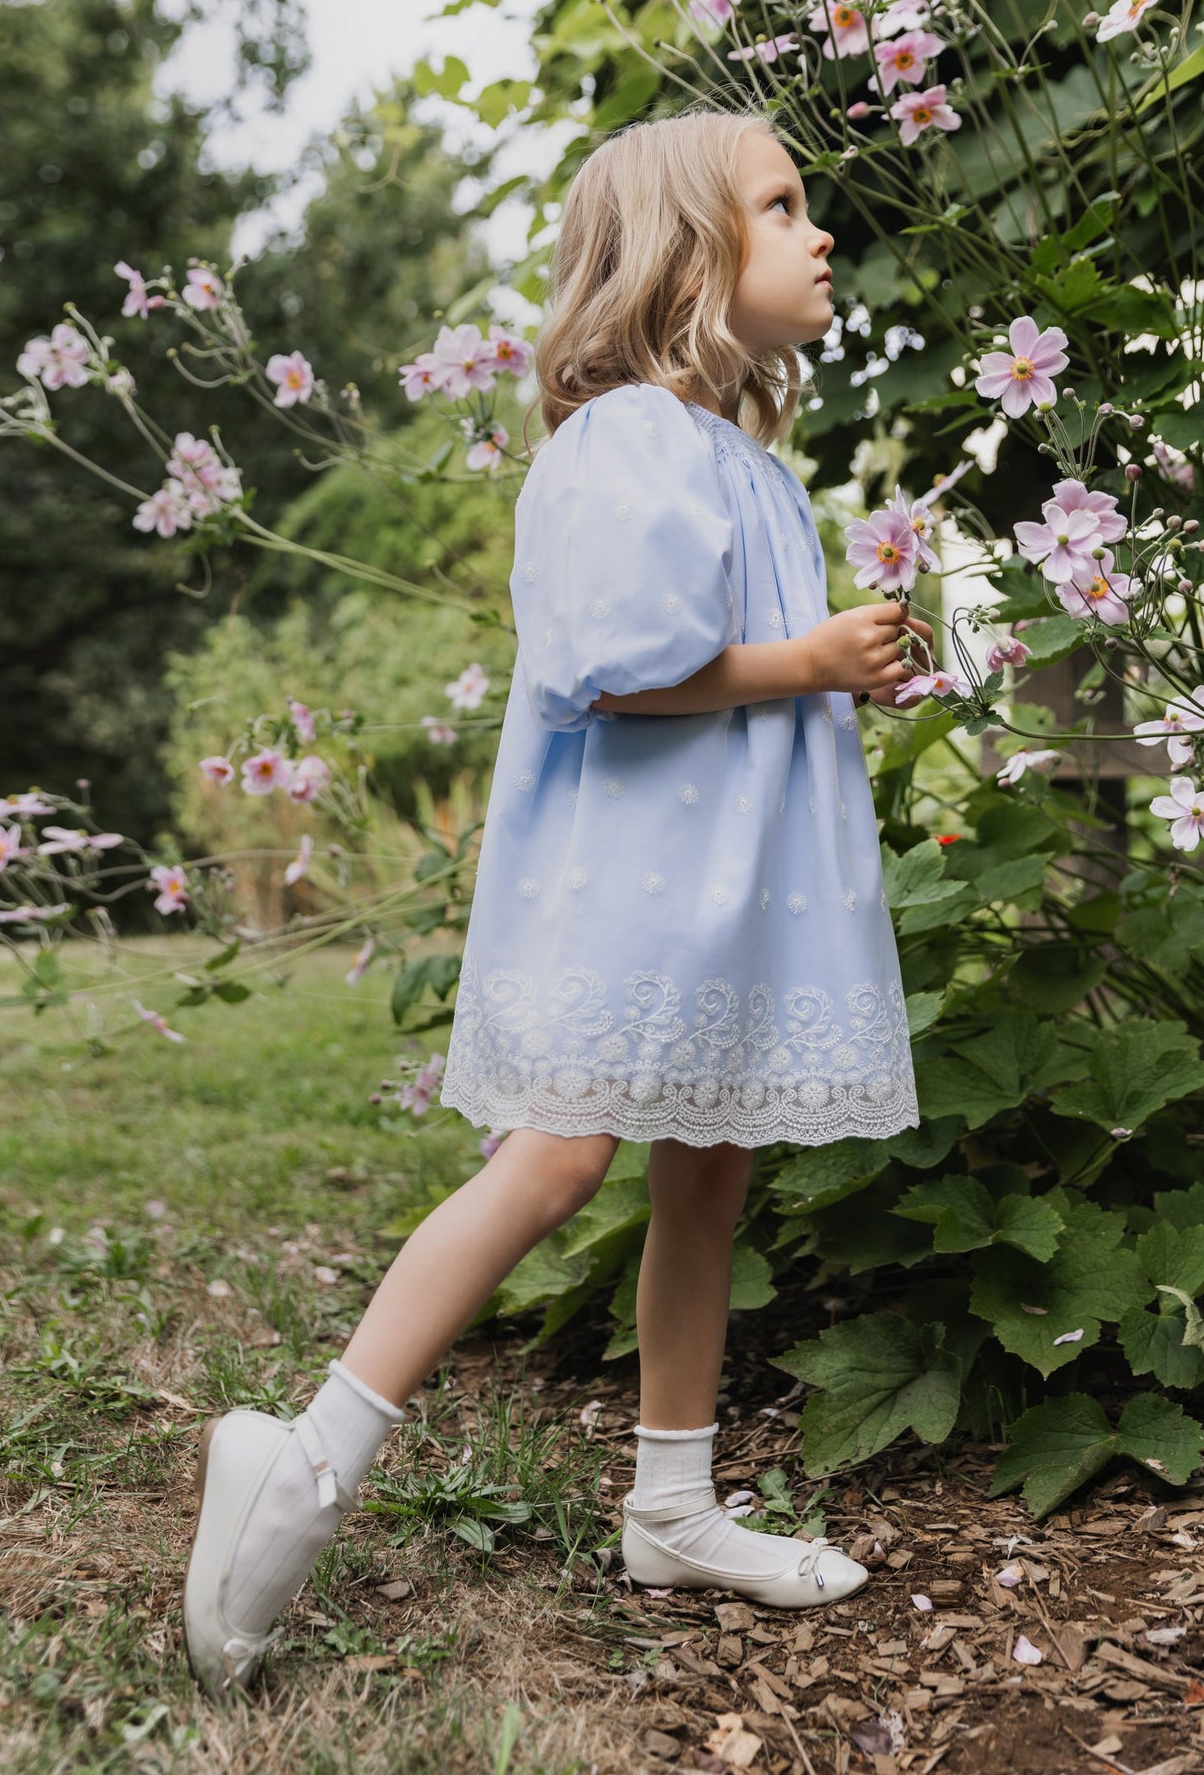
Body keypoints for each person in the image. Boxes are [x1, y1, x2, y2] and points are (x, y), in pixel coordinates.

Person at [182, 103, 930, 1700]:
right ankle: (304, 1457)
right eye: (779, 205)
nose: (816, 232)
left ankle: (671, 1499)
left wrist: (835, 655)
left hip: (725, 884)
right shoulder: (631, 440)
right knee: (555, 1157)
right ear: (685, 253)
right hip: (633, 881)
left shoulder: (741, 459)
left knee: (705, 1173)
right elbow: (622, 669)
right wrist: (811, 659)